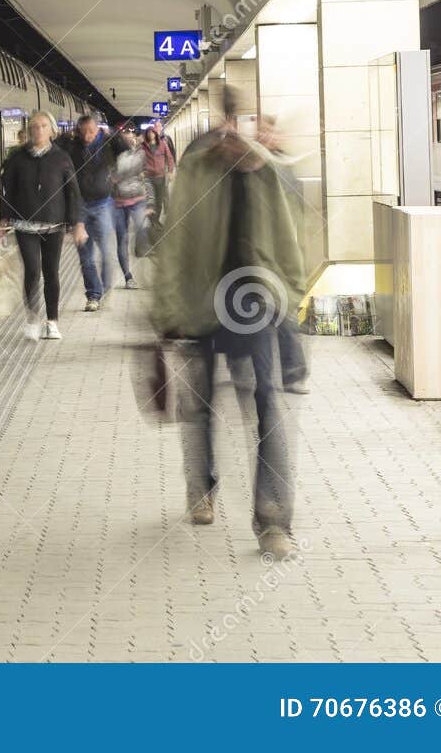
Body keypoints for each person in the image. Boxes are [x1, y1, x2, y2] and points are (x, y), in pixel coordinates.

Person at [150, 88, 307, 560]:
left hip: (255, 307)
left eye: (243, 123)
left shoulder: (269, 175)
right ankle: (201, 488)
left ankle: (274, 520)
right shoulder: (197, 170)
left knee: (266, 406)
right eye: (229, 122)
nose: (234, 133)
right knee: (197, 407)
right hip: (200, 306)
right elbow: (174, 242)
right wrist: (167, 311)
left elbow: (291, 241)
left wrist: (290, 300)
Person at [0, 111, 87, 340]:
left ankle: (52, 322)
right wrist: (3, 220)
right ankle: (32, 319)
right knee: (32, 271)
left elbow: (73, 191)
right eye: (34, 126)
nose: (38, 130)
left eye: (43, 126)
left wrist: (77, 223)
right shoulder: (18, 157)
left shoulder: (62, 158)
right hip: (24, 223)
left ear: (52, 130)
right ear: (29, 130)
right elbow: (6, 189)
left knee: (51, 273)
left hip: (54, 223)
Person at [256, 113, 310, 394]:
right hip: (257, 252)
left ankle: (293, 373)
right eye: (260, 132)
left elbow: (294, 213)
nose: (264, 137)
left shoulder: (284, 167)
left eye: (268, 132)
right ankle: (259, 371)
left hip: (280, 253)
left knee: (284, 313)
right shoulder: (250, 165)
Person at [59, 114, 132, 313]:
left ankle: (107, 288)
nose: (87, 136)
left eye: (91, 131)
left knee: (108, 253)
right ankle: (93, 295)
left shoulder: (108, 143)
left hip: (103, 204)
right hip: (79, 206)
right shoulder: (73, 146)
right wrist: (67, 136)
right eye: (83, 132)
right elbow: (55, 148)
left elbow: (127, 149)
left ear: (97, 129)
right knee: (86, 256)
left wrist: (113, 133)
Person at [110, 125, 148, 290]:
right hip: (118, 202)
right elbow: (111, 178)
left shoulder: (140, 154)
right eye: (126, 137)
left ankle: (139, 252)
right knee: (122, 240)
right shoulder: (110, 159)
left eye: (131, 136)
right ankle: (128, 277)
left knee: (141, 229)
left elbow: (148, 174)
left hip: (137, 198)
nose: (130, 138)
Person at [142, 123, 178, 226]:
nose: (151, 134)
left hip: (160, 177)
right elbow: (138, 159)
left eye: (152, 132)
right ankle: (152, 221)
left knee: (159, 201)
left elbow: (170, 157)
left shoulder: (162, 144)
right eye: (148, 132)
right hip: (148, 177)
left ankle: (155, 220)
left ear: (155, 133)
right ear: (146, 134)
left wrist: (171, 171)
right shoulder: (143, 147)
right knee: (151, 199)